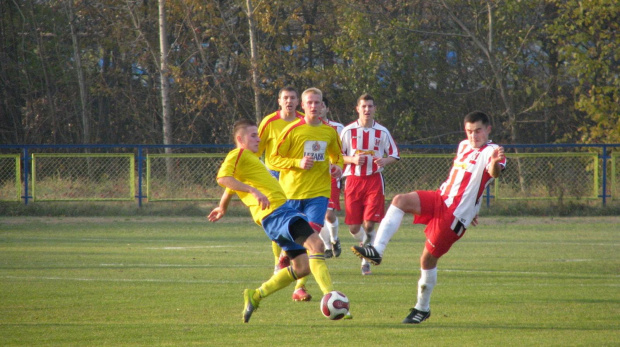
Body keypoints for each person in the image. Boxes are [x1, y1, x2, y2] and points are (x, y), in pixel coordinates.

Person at [352, 111, 506, 324]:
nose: (473, 136)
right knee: (399, 200)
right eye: (469, 131)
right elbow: (469, 182)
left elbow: (493, 173)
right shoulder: (463, 146)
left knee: (427, 259)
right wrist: (476, 206)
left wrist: (495, 164)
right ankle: (376, 251)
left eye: (478, 131)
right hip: (440, 198)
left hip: (454, 217)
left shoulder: (492, 151)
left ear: (488, 129)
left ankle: (422, 308)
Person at [208, 119, 346, 323]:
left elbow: (231, 185)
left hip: (277, 216)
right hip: (278, 213)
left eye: (258, 135)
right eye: (253, 135)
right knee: (316, 244)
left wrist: (223, 207)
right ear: (240, 139)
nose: (259, 138)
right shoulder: (237, 154)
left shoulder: (249, 159)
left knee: (302, 268)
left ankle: (256, 295)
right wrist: (254, 191)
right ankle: (331, 297)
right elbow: (223, 178)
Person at [269, 87, 345, 302]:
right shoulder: (292, 130)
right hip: (291, 192)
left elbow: (337, 156)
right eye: (309, 103)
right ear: (303, 106)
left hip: (319, 193)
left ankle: (300, 287)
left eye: (317, 102)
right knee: (291, 238)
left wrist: (337, 167)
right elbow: (273, 159)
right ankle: (284, 255)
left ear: (323, 106)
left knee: (313, 237)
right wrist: (297, 162)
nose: (313, 106)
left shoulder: (329, 132)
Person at [256, 86, 307, 300]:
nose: (289, 101)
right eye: (285, 98)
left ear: (298, 102)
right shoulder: (269, 122)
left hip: (297, 178)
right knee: (278, 224)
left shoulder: (304, 121)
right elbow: (254, 151)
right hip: (274, 178)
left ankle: (299, 286)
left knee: (305, 226)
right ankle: (279, 261)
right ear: (279, 101)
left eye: (292, 98)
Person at [340, 93, 399, 275]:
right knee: (354, 227)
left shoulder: (382, 132)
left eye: (370, 106)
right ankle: (365, 243)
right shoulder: (348, 131)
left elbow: (394, 155)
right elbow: (337, 155)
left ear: (374, 109)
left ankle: (365, 260)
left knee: (370, 224)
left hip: (374, 181)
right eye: (363, 106)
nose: (367, 109)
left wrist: (384, 161)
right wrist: (352, 159)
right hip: (353, 181)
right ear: (357, 109)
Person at [318, 97, 344, 258]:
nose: (318, 108)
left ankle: (334, 239)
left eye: (321, 105)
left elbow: (344, 152)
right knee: (315, 215)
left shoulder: (338, 128)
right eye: (313, 104)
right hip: (312, 177)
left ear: (327, 109)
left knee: (328, 213)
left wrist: (341, 169)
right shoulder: (304, 126)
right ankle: (327, 246)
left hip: (331, 176)